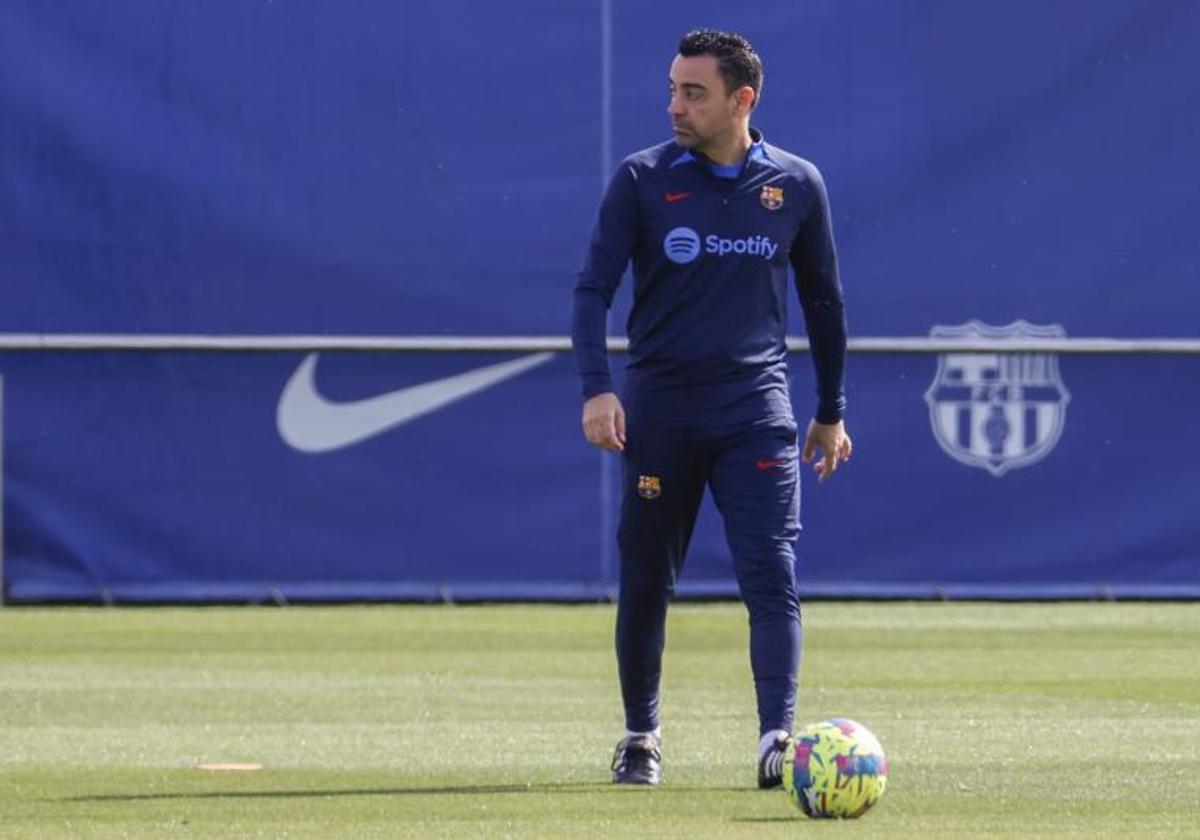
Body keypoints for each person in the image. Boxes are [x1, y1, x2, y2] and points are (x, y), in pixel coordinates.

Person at [570, 29, 852, 788]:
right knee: (646, 579)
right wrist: (598, 386)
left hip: (756, 413)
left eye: (693, 92)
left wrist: (831, 409)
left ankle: (775, 743)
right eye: (671, 89)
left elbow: (824, 303)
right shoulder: (642, 179)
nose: (675, 106)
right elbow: (592, 290)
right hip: (659, 414)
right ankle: (640, 737)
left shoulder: (795, 186)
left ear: (743, 99)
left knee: (771, 574)